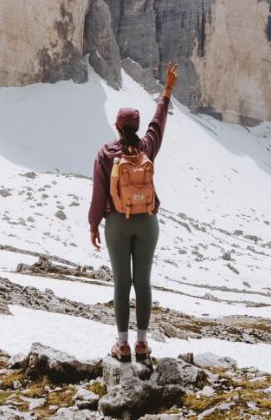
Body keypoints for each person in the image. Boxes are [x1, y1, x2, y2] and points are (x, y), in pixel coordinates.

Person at [89, 62, 178, 362]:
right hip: (148, 223)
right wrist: (167, 90)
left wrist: (92, 226)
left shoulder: (106, 153)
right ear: (136, 128)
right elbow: (159, 122)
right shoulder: (147, 147)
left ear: (117, 126)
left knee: (121, 283)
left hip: (117, 223)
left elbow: (99, 195)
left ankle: (122, 345)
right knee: (143, 282)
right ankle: (142, 344)